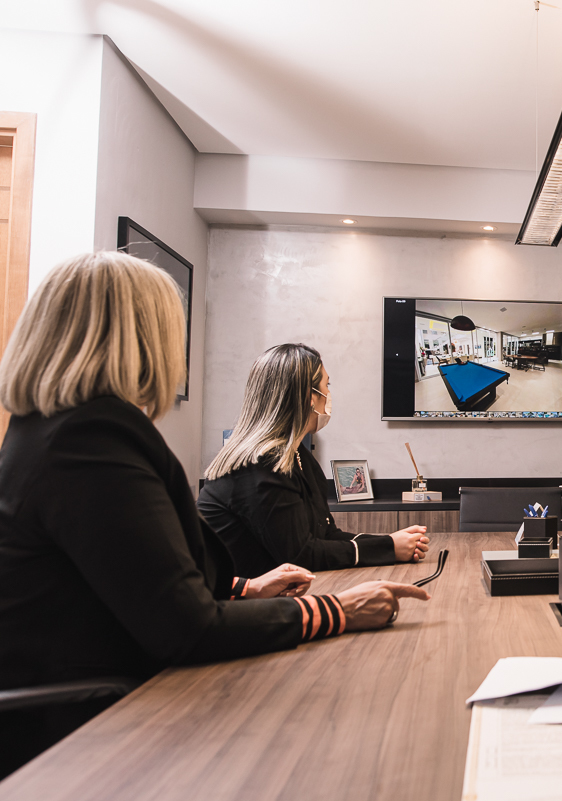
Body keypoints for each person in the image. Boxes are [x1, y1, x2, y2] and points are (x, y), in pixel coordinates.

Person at [0, 252, 429, 771]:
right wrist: (337, 611)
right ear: (139, 339)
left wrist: (242, 589)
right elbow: (187, 628)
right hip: (96, 725)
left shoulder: (49, 434)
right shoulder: (89, 442)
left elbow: (135, 577)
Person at [199, 344, 430, 577]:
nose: (329, 395)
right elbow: (300, 555)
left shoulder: (298, 456)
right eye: (326, 386)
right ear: (310, 396)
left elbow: (325, 536)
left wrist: (390, 542)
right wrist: (389, 548)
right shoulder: (261, 464)